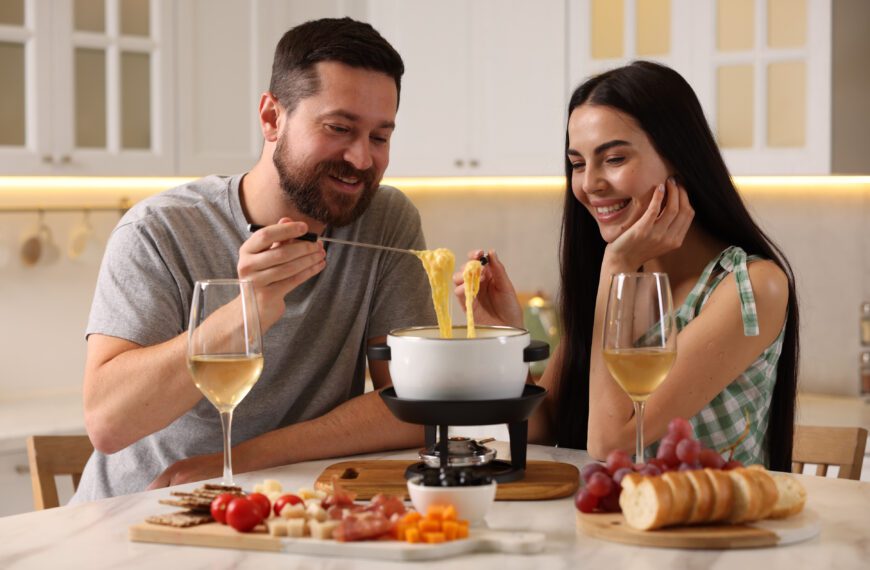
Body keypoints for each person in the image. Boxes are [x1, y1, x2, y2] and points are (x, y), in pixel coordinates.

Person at [72, 17, 435, 502]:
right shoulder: (159, 230)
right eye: (339, 128)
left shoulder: (386, 219)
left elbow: (412, 405)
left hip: (292, 509)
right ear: (271, 118)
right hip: (141, 515)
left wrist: (241, 463)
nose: (361, 159)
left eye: (379, 137)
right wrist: (248, 311)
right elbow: (108, 422)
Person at [456, 61, 798, 471]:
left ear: (679, 158)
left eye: (614, 158)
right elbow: (545, 426)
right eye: (578, 164)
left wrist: (617, 264)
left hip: (710, 530)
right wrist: (505, 340)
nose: (589, 184)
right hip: (611, 524)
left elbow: (609, 442)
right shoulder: (615, 274)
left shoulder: (751, 288)